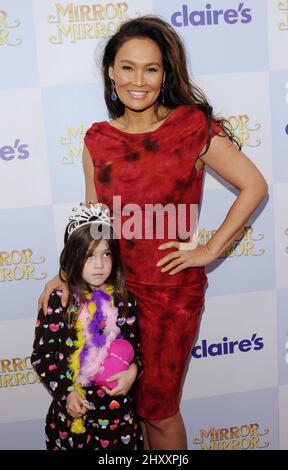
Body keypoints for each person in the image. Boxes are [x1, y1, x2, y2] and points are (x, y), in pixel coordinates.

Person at [38, 16, 268, 450]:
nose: (138, 80)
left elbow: (254, 185)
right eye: (127, 67)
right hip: (112, 294)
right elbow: (94, 223)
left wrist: (210, 249)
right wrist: (67, 273)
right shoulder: (98, 141)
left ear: (165, 75)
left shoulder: (190, 129)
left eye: (151, 69)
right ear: (111, 72)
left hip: (170, 296)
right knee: (122, 408)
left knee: (158, 413)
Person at [31, 202, 143, 450]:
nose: (100, 264)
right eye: (89, 255)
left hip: (117, 420)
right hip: (72, 420)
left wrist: (133, 371)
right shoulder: (58, 302)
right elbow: (42, 357)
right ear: (73, 256)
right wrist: (67, 393)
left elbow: (137, 351)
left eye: (106, 254)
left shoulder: (125, 301)